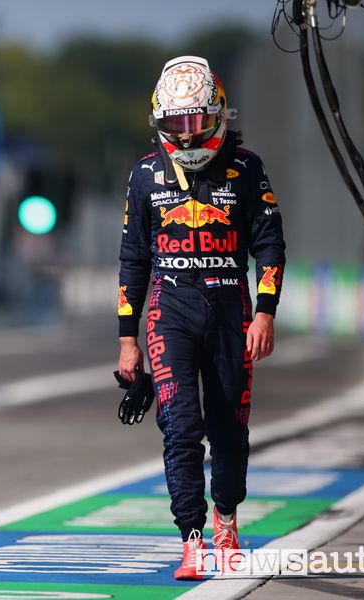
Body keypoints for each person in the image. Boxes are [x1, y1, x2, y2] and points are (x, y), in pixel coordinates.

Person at [116, 56, 285, 580]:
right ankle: (190, 537)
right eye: (175, 124)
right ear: (158, 122)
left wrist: (264, 315)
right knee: (181, 429)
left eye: (195, 122)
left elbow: (271, 244)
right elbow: (132, 258)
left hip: (231, 311)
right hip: (169, 311)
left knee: (229, 428)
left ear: (218, 116)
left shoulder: (247, 167)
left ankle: (227, 521)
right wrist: (127, 340)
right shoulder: (144, 174)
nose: (187, 137)